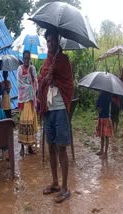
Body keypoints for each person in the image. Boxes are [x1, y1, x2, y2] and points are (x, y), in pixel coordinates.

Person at [38, 30, 73, 203]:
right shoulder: (47, 62)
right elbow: (40, 81)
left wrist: (56, 80)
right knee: (50, 147)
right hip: (48, 111)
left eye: (53, 40)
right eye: (48, 41)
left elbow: (69, 83)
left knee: (61, 148)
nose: (50, 43)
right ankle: (55, 182)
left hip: (59, 109)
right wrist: (46, 80)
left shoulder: (64, 60)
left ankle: (65, 188)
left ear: (58, 41)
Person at [17, 50, 38, 156]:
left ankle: (30, 147)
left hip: (31, 100)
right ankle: (22, 147)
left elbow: (36, 82)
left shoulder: (32, 68)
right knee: (23, 122)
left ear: (30, 58)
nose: (26, 60)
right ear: (23, 58)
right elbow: (19, 84)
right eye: (25, 58)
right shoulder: (19, 69)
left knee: (30, 122)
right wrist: (29, 87)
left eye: (28, 58)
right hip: (23, 100)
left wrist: (33, 80)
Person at [96, 91, 113, 159]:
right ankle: (104, 152)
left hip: (102, 118)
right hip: (107, 118)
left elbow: (99, 108)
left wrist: (98, 113)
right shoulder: (109, 95)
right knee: (106, 136)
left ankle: (103, 152)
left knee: (102, 136)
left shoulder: (101, 96)